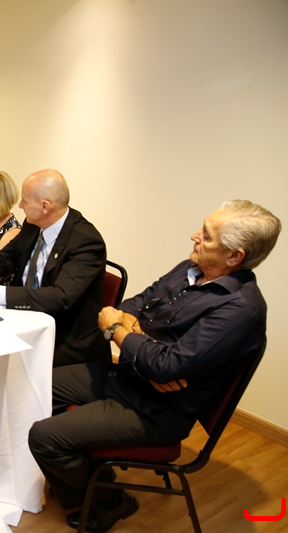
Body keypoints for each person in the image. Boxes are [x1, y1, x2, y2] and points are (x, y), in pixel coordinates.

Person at [28, 200, 280, 533]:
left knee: (43, 437)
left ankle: (110, 502)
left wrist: (120, 332)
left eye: (206, 236)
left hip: (157, 409)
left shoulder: (240, 310)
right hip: (128, 376)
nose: (194, 236)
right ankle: (86, 471)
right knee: (33, 383)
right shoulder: (189, 268)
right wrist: (144, 349)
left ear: (235, 256)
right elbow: (133, 306)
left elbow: (161, 364)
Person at [0, 169, 108, 367]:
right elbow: (7, 257)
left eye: (25, 200)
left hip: (62, 339)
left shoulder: (86, 241)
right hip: (21, 318)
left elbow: (60, 297)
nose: (20, 205)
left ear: (45, 207)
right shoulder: (33, 224)